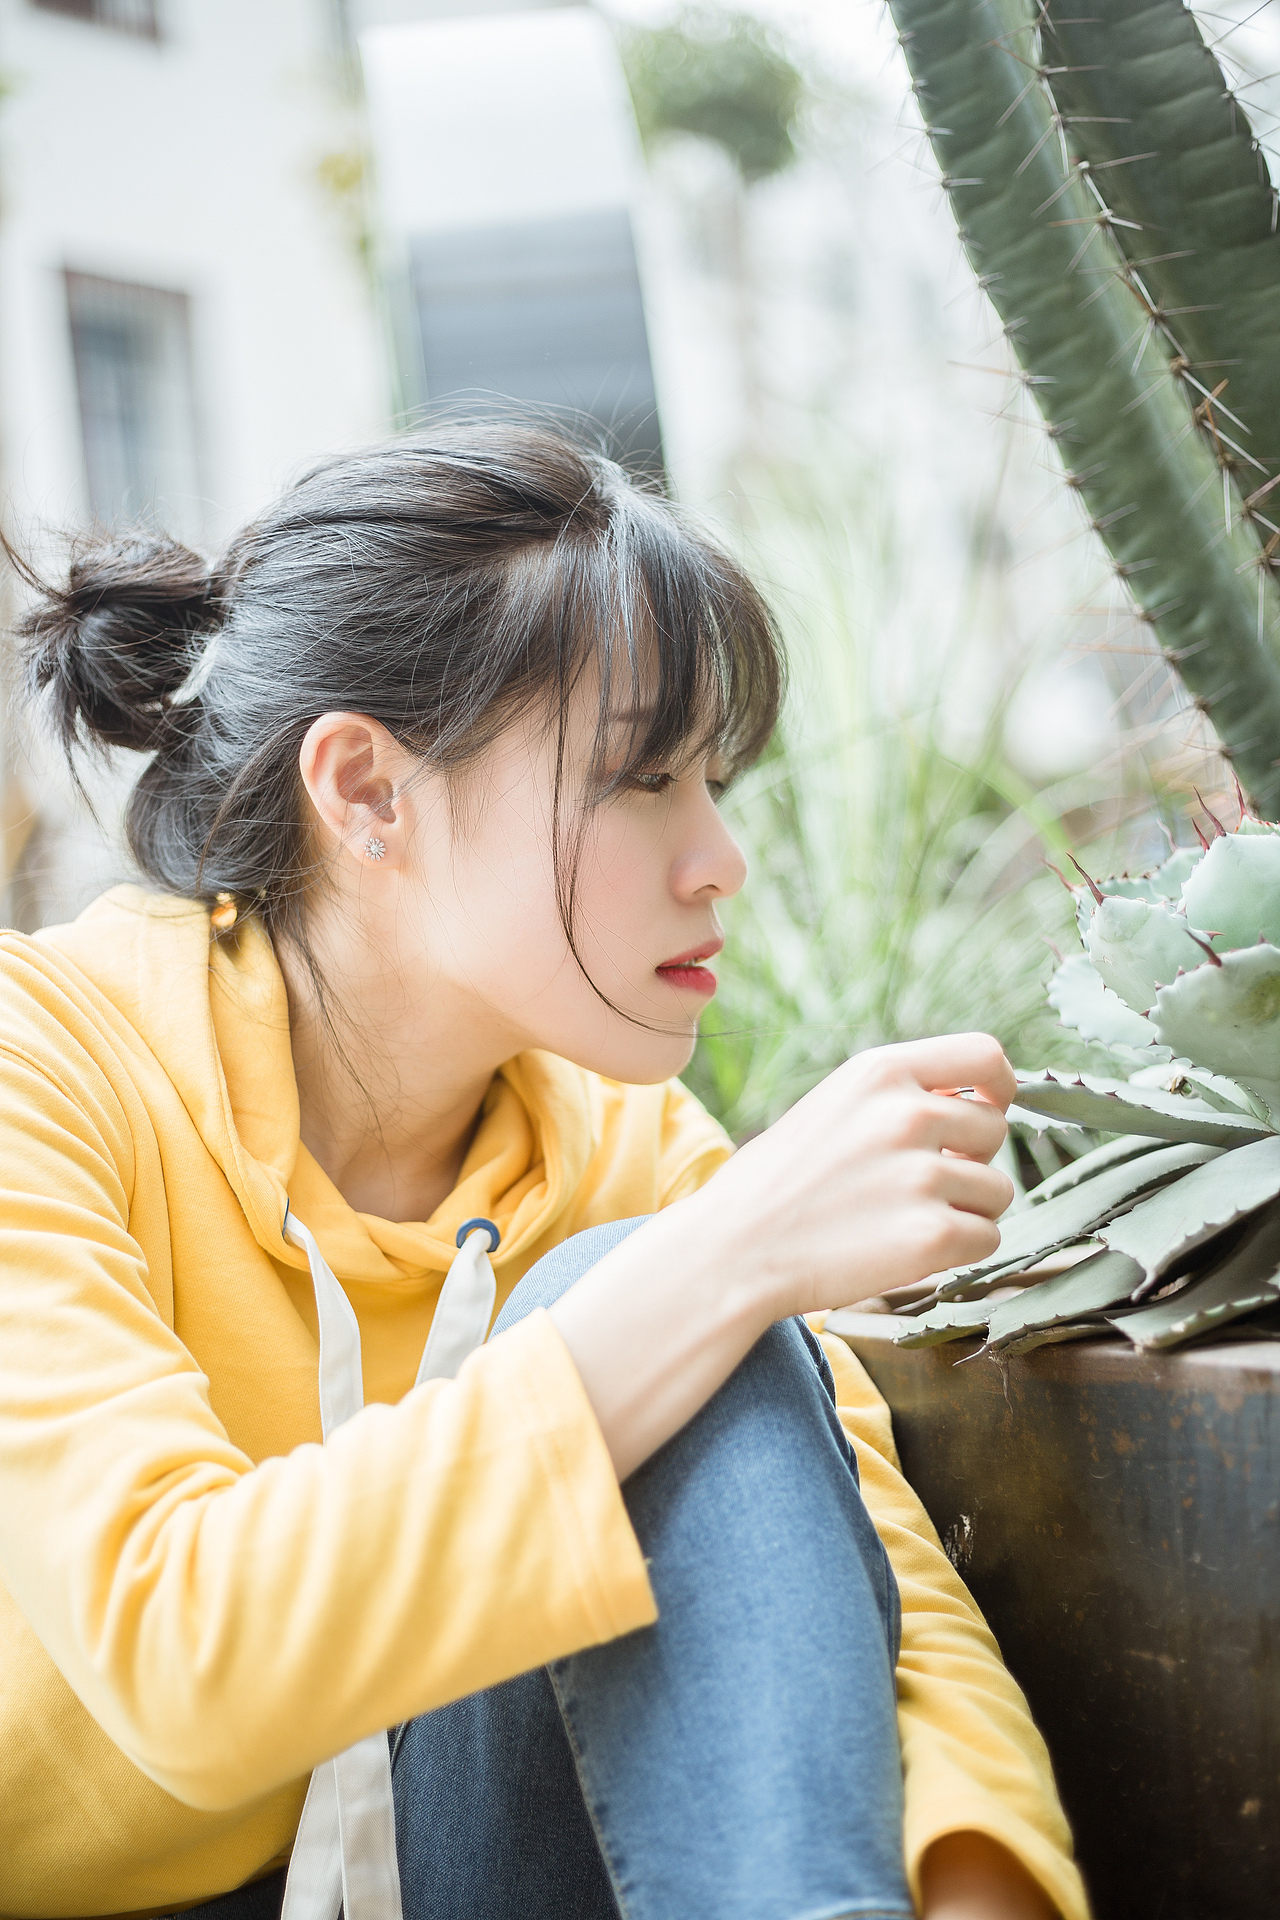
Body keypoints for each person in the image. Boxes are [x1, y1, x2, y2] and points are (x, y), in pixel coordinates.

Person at [0, 428, 1087, 1920]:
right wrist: (727, 1254)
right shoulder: (43, 1065)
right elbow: (177, 1656)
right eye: (643, 778)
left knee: (668, 1311)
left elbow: (877, 1615)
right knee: (651, 1292)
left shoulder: (617, 1139)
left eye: (713, 781)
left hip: (465, 1866)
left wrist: (977, 1887)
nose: (719, 860)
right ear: (367, 789)